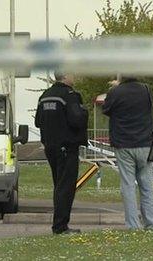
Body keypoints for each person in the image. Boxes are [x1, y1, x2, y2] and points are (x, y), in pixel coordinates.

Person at [102, 76, 153, 229]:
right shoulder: (146, 90)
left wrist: (114, 89)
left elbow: (105, 109)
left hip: (124, 143)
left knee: (128, 185)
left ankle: (133, 225)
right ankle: (152, 224)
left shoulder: (116, 92)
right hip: (145, 143)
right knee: (147, 185)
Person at [35, 71, 88, 234]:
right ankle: (60, 226)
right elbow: (77, 119)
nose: (74, 76)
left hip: (50, 146)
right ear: (65, 76)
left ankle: (59, 224)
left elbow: (38, 121)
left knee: (58, 185)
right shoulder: (70, 95)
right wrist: (84, 111)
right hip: (67, 147)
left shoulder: (45, 95)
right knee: (66, 187)